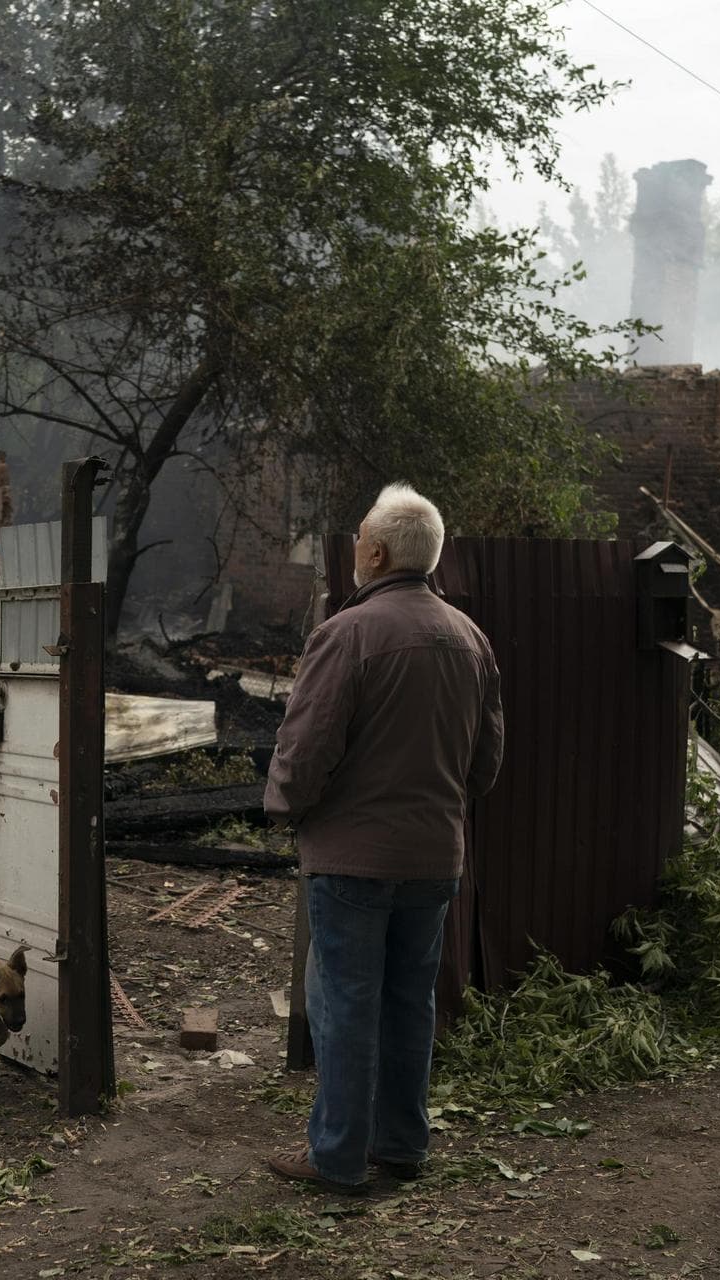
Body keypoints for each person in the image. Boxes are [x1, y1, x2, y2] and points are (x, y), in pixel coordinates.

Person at [264, 481, 504, 1192]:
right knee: (409, 1002)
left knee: (344, 1003)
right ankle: (401, 1146)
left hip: (353, 859)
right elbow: (486, 764)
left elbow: (305, 750)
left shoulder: (347, 633)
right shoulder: (471, 639)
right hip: (434, 857)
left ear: (373, 551)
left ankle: (337, 1157)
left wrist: (287, 809)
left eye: (361, 537)